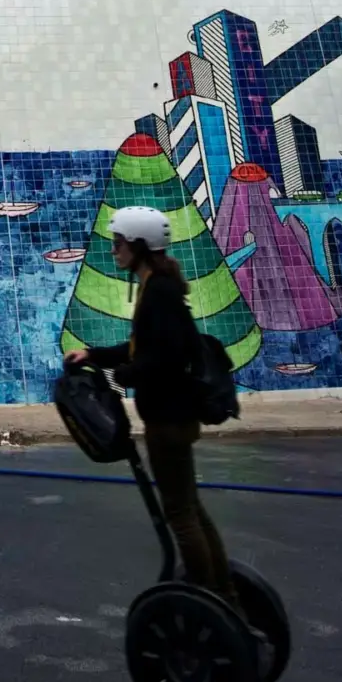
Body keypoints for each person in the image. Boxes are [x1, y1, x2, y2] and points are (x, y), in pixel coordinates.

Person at [64, 205, 240, 617]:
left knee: (179, 514)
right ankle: (224, 592)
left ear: (140, 246)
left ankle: (211, 597)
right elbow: (144, 350)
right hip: (172, 416)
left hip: (169, 420)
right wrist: (93, 355)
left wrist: (124, 374)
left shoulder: (158, 292)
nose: (114, 251)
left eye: (119, 243)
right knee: (189, 507)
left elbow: (163, 359)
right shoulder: (156, 286)